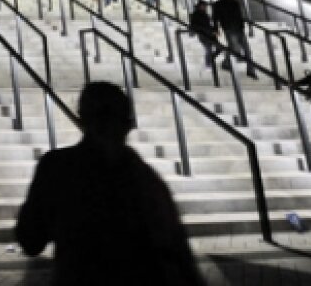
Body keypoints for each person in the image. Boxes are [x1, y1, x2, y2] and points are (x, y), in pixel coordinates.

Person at [15, 82, 203, 286]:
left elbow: (30, 239)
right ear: (128, 123)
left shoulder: (57, 168)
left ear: (82, 119)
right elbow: (179, 254)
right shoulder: (144, 178)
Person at [213, 0, 258, 79]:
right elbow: (215, 17)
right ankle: (226, 63)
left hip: (239, 29)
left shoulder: (235, 3)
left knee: (247, 50)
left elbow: (239, 16)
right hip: (229, 28)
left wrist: (244, 27)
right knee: (235, 49)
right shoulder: (218, 4)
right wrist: (216, 28)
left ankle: (250, 71)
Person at [188, 0, 219, 71]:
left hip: (210, 34)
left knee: (219, 48)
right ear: (199, 6)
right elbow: (195, 26)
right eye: (203, 6)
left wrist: (214, 30)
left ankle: (209, 59)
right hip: (203, 35)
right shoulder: (195, 15)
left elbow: (208, 25)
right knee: (209, 49)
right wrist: (210, 30)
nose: (205, 7)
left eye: (205, 6)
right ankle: (208, 64)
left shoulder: (205, 14)